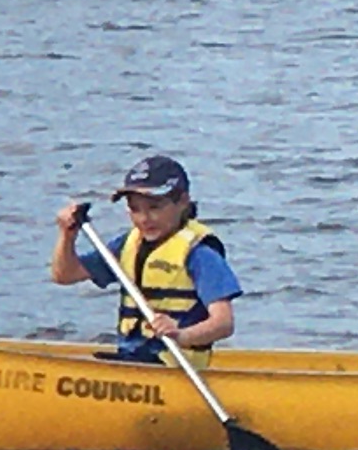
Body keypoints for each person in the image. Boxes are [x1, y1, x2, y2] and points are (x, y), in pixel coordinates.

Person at [53, 152, 241, 360]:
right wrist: (67, 236)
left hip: (175, 366)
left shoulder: (200, 254)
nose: (144, 219)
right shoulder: (127, 244)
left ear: (182, 202)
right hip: (132, 358)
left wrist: (181, 335)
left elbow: (223, 323)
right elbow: (65, 275)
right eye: (135, 209)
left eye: (154, 207)